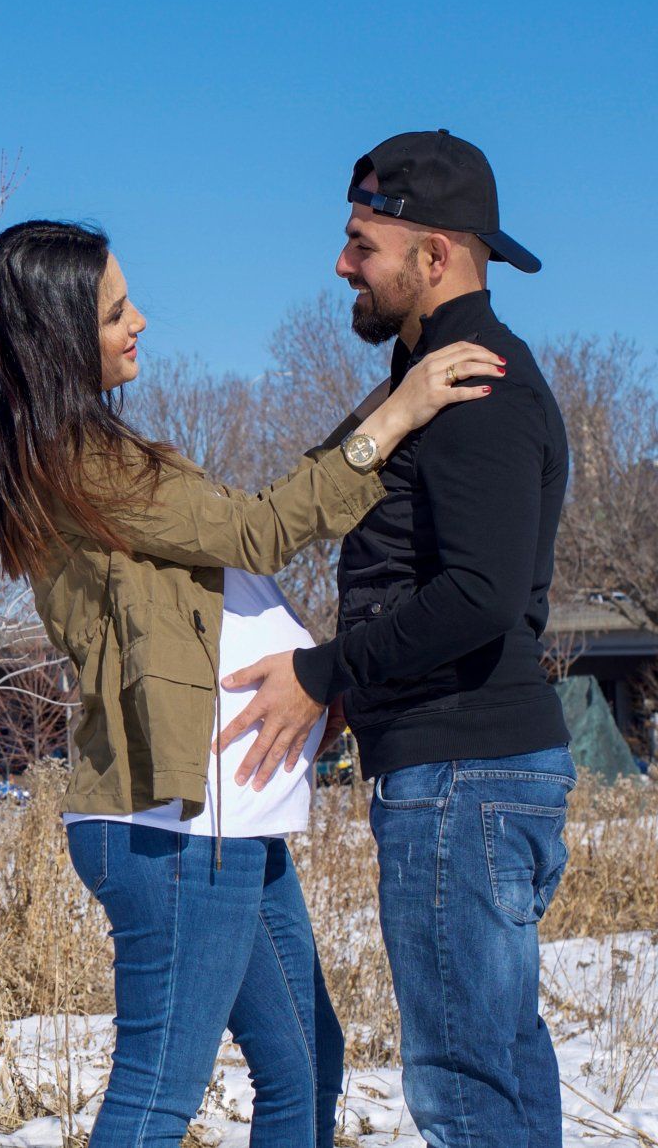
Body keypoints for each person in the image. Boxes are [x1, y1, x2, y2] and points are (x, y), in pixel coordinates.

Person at [0, 219, 502, 1147]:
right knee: (156, 1097)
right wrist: (397, 414)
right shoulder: (83, 462)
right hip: (175, 826)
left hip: (226, 819)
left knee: (305, 1067)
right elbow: (260, 532)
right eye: (113, 312)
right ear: (58, 338)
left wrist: (393, 407)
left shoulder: (90, 455)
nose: (140, 321)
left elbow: (232, 547)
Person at [212, 131, 572, 1147]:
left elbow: (481, 594)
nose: (341, 265)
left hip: (467, 773)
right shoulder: (428, 384)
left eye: (361, 242)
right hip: (468, 774)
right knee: (496, 1064)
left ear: (436, 255)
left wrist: (325, 675)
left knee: (466, 1085)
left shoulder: (479, 391)